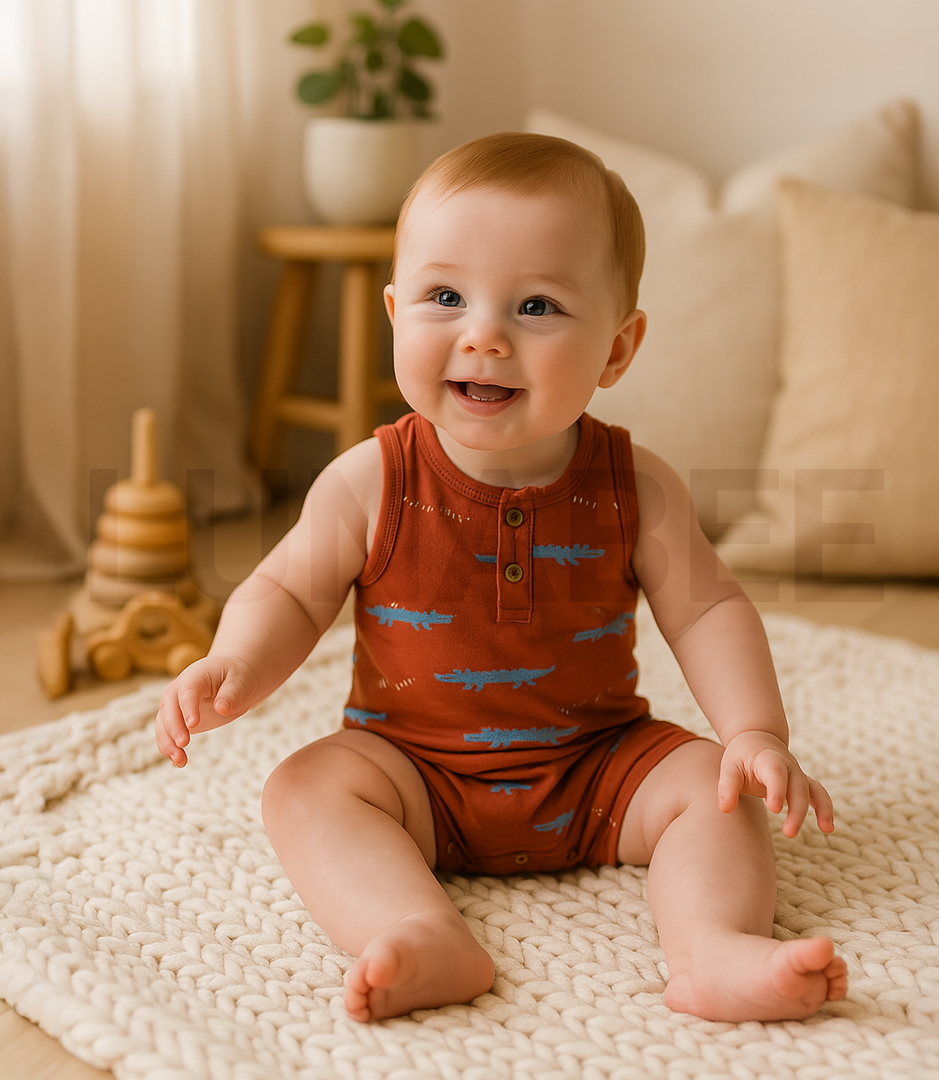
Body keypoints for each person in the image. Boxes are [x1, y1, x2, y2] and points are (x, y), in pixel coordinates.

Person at [155, 132, 848, 1025]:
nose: (482, 334)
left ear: (616, 350)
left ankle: (712, 947)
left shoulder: (634, 484)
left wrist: (756, 733)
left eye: (536, 306)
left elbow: (708, 608)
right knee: (304, 788)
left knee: (715, 788)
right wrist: (236, 664)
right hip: (414, 777)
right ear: (398, 311)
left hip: (598, 769)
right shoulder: (371, 479)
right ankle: (417, 929)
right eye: (446, 296)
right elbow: (288, 591)